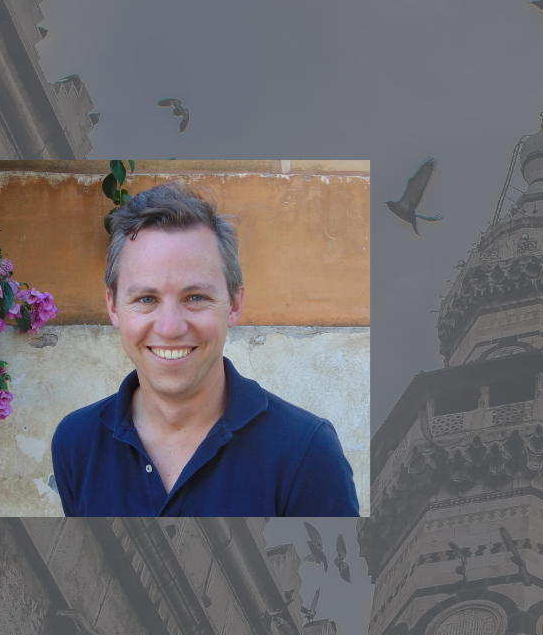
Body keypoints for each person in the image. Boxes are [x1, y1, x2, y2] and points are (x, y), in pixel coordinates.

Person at [51, 181, 360, 516]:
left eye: (196, 297)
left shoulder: (306, 454)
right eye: (146, 299)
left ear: (234, 304)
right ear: (113, 307)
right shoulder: (77, 443)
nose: (170, 328)